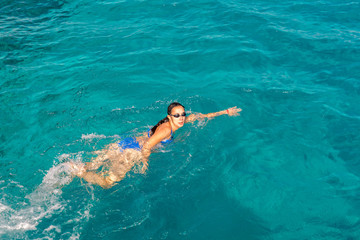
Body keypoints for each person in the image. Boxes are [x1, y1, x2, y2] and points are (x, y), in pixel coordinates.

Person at [69, 102, 242, 188]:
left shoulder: (177, 122)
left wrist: (225, 112)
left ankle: (79, 167)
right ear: (169, 116)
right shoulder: (166, 130)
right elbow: (147, 147)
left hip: (127, 141)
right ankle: (79, 173)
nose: (182, 117)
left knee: (93, 163)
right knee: (108, 182)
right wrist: (145, 163)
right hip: (133, 151)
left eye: (183, 114)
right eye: (177, 115)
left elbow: (202, 116)